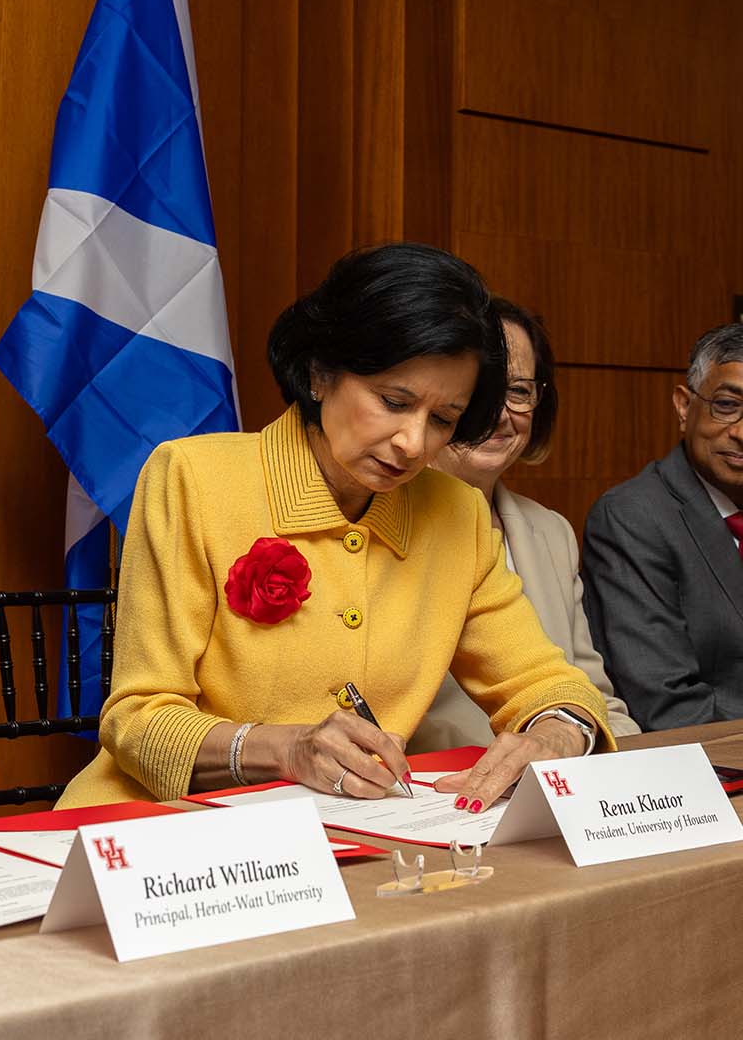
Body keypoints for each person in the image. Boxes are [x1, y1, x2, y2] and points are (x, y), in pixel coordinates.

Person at [57, 243, 614, 815]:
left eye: (443, 419)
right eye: (393, 401)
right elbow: (138, 719)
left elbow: (547, 682)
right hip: (162, 832)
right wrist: (282, 748)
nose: (413, 443)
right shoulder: (193, 478)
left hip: (353, 835)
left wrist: (558, 735)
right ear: (321, 373)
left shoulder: (457, 512)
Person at [412, 299, 639, 751]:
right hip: (426, 795)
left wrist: (637, 776)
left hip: (555, 783)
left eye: (518, 391)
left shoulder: (551, 531)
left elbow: (596, 698)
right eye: (479, 391)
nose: (498, 414)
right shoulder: (374, 523)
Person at [582, 322, 743, 730]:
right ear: (684, 406)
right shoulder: (633, 517)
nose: (741, 432)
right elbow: (667, 706)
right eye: (727, 405)